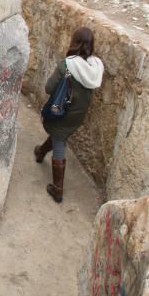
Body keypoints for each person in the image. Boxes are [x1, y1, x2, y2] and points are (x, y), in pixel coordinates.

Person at [34, 27, 104, 203]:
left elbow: (49, 88)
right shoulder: (95, 66)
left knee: (59, 141)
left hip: (62, 111)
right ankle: (41, 151)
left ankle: (58, 189)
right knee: (60, 135)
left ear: (74, 41)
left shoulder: (68, 65)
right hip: (78, 116)